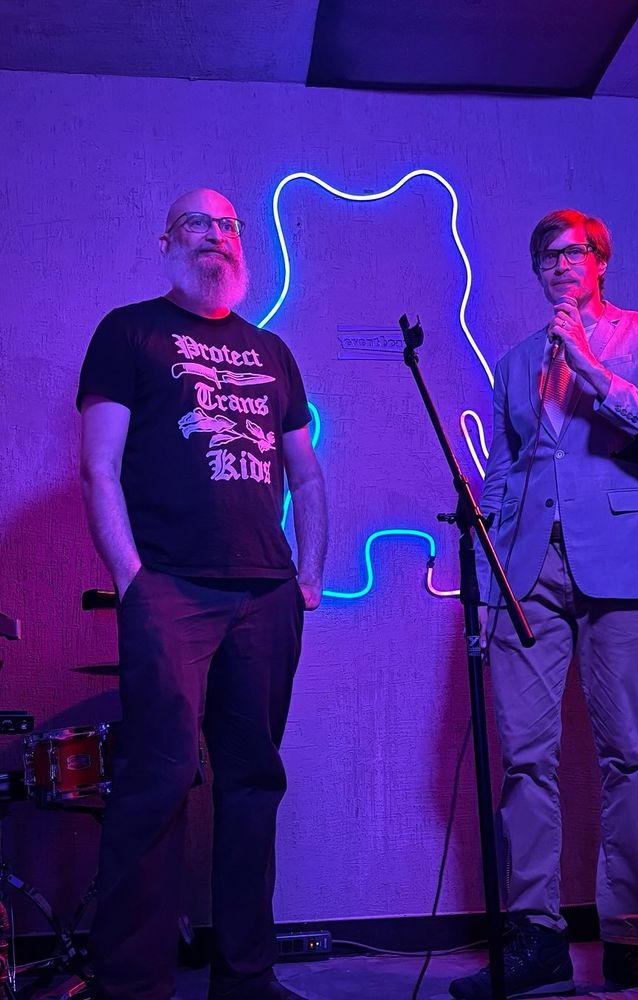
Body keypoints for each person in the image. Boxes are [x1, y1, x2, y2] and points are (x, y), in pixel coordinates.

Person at [78, 188, 326, 1000]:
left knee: (254, 783)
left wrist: (309, 572)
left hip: (266, 593)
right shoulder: (129, 332)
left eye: (227, 225)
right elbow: (99, 467)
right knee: (156, 780)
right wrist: (133, 582)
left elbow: (305, 472)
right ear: (166, 242)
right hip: (170, 589)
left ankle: (246, 979)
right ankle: (131, 986)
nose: (215, 235)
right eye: (197, 223)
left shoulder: (272, 350)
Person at [450, 209, 638, 1000]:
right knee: (526, 757)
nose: (559, 265)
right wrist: (487, 581)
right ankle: (538, 939)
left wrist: (591, 367)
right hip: (528, 572)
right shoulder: (516, 362)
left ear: (600, 260)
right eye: (546, 257)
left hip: (621, 560)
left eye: (573, 252)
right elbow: (505, 470)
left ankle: (627, 939)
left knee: (626, 754)